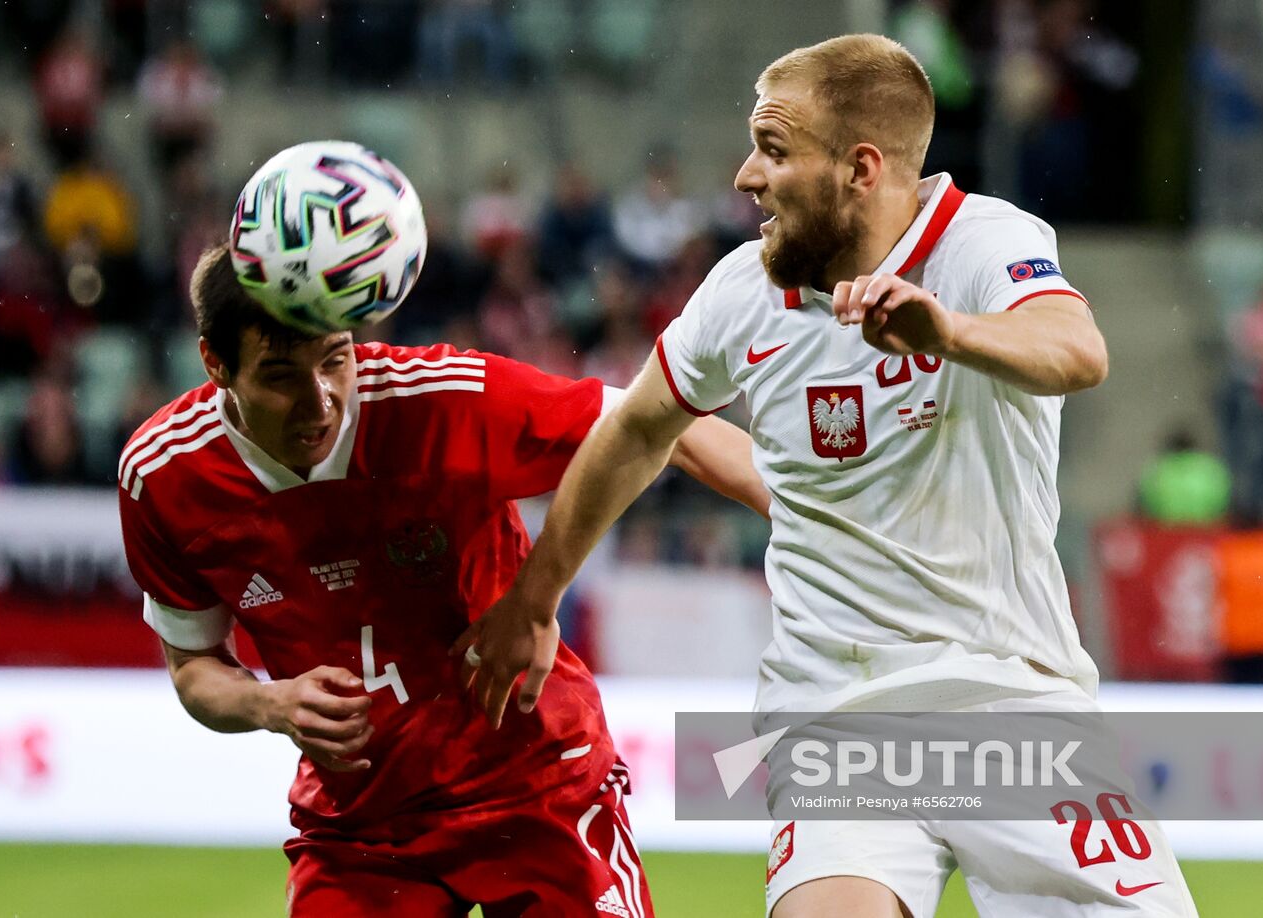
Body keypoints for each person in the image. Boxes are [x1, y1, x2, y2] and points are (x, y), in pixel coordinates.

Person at [461, 34, 1198, 918]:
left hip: (1014, 704)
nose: (744, 176)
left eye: (774, 150)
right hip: (836, 719)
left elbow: (1076, 349)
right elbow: (637, 433)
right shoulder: (740, 292)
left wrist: (947, 333)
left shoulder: (981, 244)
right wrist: (535, 600)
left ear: (860, 167)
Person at [117, 244, 765, 916]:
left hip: (536, 784)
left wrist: (824, 529)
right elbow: (193, 667)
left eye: (336, 359)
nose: (321, 402)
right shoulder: (163, 476)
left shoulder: (442, 399)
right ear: (214, 363)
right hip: (363, 829)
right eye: (281, 375)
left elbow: (666, 426)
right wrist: (270, 704)